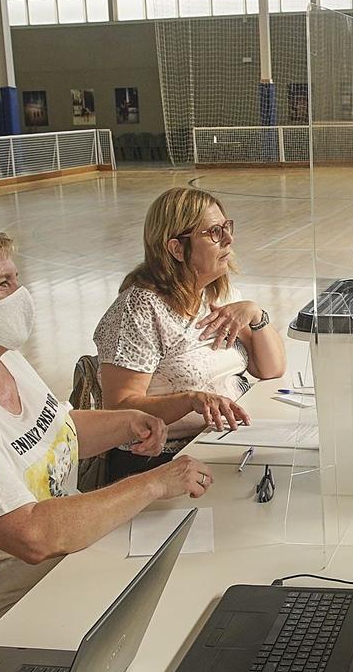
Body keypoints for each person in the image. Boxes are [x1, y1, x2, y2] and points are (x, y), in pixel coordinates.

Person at [0, 223, 211, 646]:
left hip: (68, 569)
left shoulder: (1, 359)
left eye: (17, 279)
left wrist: (125, 422)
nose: (21, 294)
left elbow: (55, 433)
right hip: (5, 616)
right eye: (3, 284)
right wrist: (154, 482)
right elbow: (33, 536)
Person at [92, 189, 287, 482]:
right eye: (214, 232)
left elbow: (271, 369)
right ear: (176, 248)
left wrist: (255, 314)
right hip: (161, 462)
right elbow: (119, 408)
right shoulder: (139, 309)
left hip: (219, 443)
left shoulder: (216, 293)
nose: (229, 239)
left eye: (227, 228)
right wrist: (190, 400)